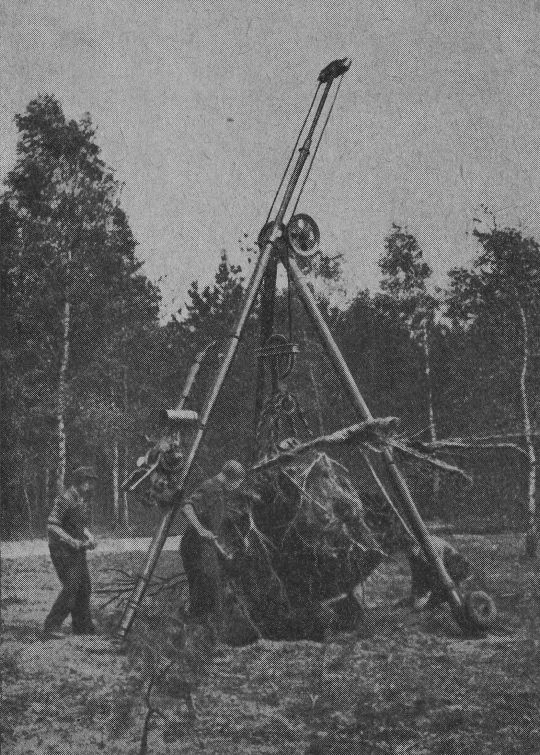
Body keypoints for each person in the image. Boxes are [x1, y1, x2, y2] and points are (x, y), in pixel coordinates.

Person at [179, 460, 246, 634]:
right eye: (238, 483)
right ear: (232, 479)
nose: (237, 487)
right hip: (195, 548)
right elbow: (187, 507)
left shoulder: (219, 490)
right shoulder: (211, 487)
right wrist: (201, 530)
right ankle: (203, 637)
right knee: (207, 590)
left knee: (212, 590)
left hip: (204, 548)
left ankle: (203, 635)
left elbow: (211, 521)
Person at [43, 466, 98, 639]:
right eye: (88, 481)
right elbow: (52, 524)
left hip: (77, 549)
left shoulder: (81, 499)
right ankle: (52, 625)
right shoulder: (65, 498)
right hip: (61, 550)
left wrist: (90, 537)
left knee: (85, 587)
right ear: (80, 481)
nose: (90, 485)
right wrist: (71, 540)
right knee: (72, 586)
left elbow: (80, 526)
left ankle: (82, 626)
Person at [407, 534, 471, 610]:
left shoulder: (452, 556)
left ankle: (418, 601)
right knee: (420, 601)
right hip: (426, 554)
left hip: (423, 551)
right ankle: (419, 603)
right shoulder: (438, 554)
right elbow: (422, 578)